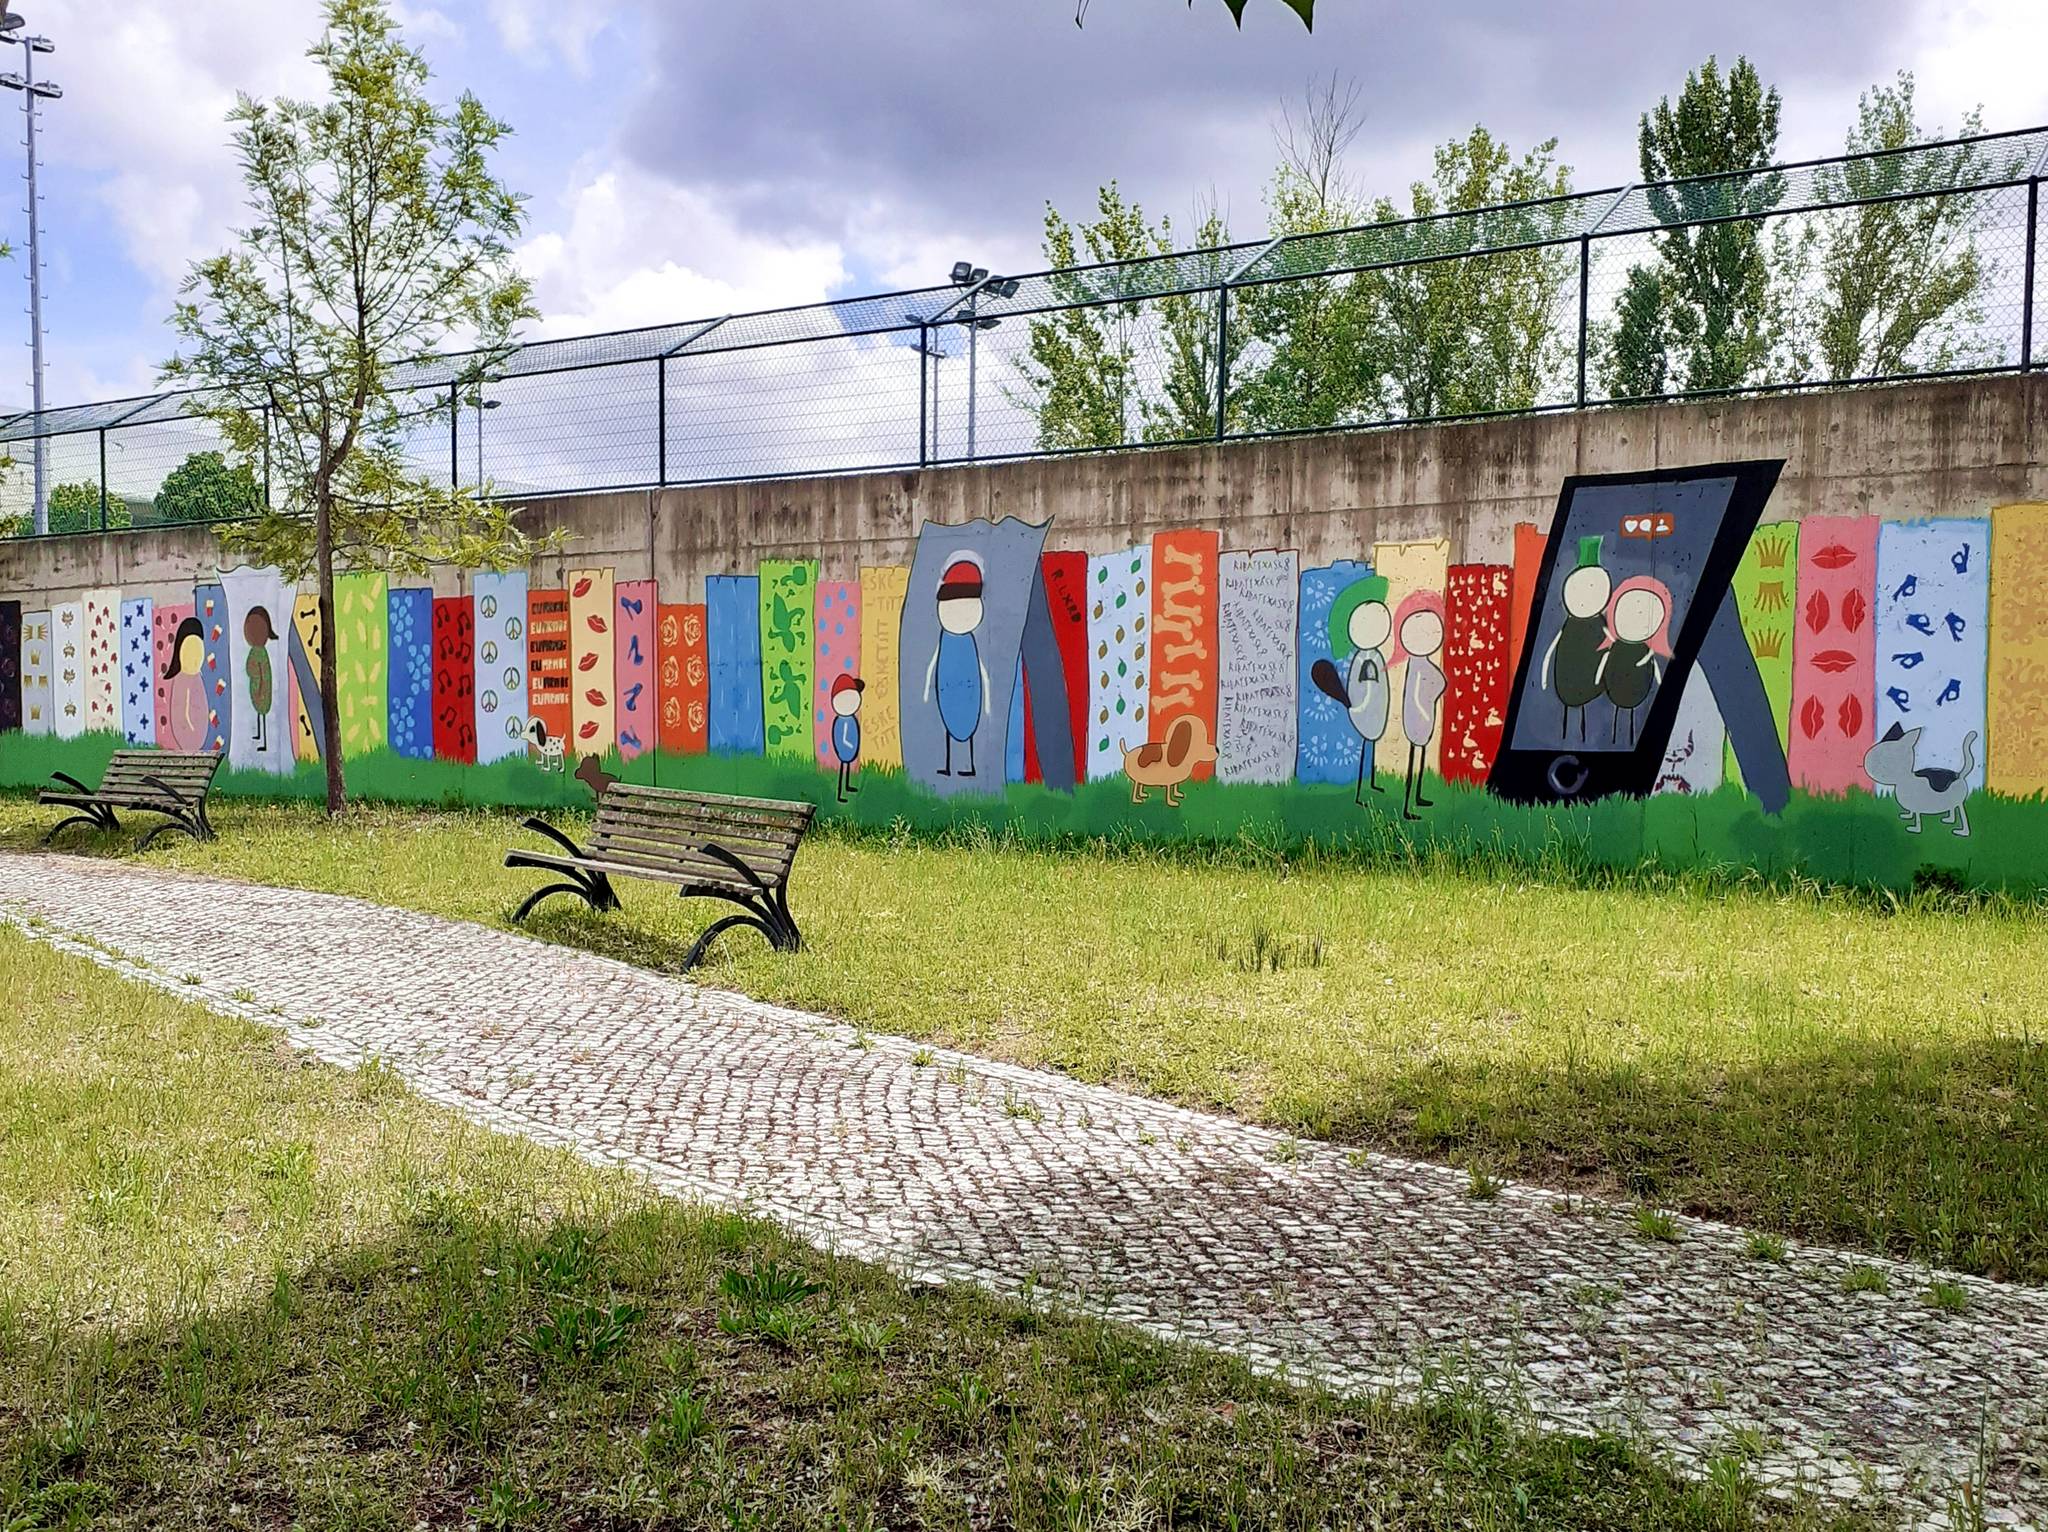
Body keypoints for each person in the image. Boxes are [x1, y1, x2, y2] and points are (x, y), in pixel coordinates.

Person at [924, 557, 991, 777]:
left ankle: (969, 765)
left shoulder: (968, 642)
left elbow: (981, 668)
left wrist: (987, 696)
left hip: (968, 688)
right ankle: (950, 764)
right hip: (948, 688)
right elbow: (934, 662)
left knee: (968, 722)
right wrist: (928, 689)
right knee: (948, 720)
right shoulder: (947, 640)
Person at [1541, 536, 1611, 744]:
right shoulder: (1572, 626)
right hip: (1568, 681)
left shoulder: (1598, 626)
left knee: (1586, 717)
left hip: (1590, 683)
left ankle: (1580, 739)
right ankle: (1569, 738)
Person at [1595, 574, 1674, 746]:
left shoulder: (1644, 650)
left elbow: (1655, 671)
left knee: (1632, 722)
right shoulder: (1617, 648)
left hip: (1637, 691)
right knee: (1619, 720)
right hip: (1616, 688)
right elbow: (1604, 664)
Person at [1392, 590, 1446, 822]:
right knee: (1414, 757)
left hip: (1424, 717)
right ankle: (1407, 803)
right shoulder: (1416, 664)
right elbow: (1414, 693)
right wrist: (1424, 709)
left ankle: (1418, 795)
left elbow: (1436, 682)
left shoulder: (1423, 662)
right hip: (1417, 718)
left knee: (1421, 756)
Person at [161, 616, 207, 753]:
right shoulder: (182, 680)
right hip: (190, 743)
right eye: (190, 651)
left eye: (198, 650)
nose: (195, 657)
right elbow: (181, 715)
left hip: (197, 742)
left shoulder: (197, 677)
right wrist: (191, 737)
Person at [243, 605, 277, 753]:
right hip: (255, 686)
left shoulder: (261, 653)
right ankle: (258, 734)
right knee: (258, 712)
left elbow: (264, 673)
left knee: (262, 713)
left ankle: (264, 739)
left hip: (261, 689)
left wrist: (261, 688)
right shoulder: (256, 651)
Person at [829, 673, 865, 802]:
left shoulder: (851, 719)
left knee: (848, 767)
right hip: (844, 749)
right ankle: (840, 792)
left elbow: (854, 733)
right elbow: (838, 737)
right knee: (842, 769)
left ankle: (847, 786)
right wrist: (847, 745)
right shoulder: (841, 721)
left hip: (850, 749)